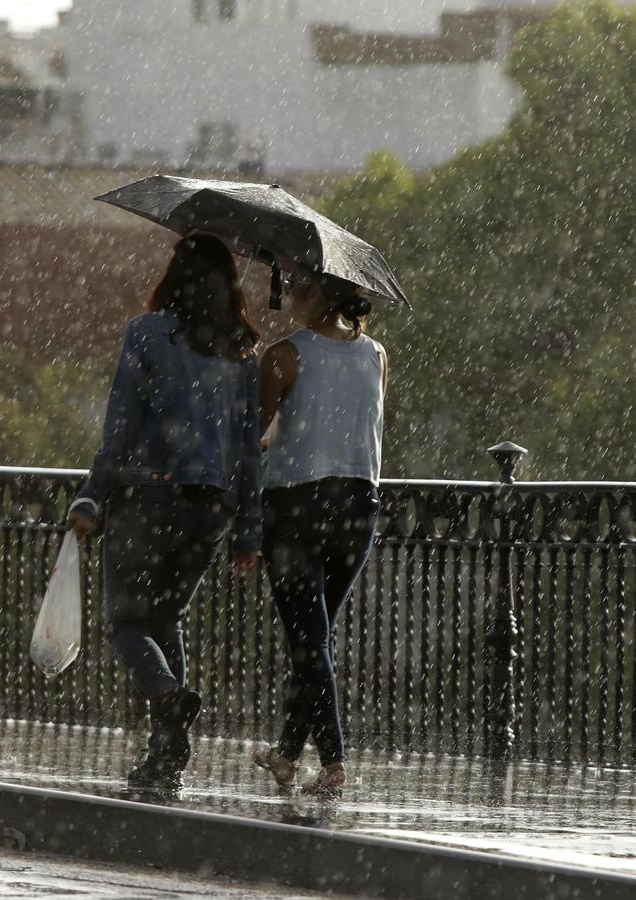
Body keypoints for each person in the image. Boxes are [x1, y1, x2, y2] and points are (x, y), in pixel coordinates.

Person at [65, 234, 262, 795]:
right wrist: (248, 529)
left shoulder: (147, 334)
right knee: (166, 620)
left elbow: (120, 427)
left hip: (146, 498)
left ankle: (167, 699)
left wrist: (90, 495)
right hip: (210, 511)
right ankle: (166, 753)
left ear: (174, 275)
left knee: (127, 624)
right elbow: (249, 450)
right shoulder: (242, 351)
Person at [250, 267, 386, 797]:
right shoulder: (375, 355)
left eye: (294, 289)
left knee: (308, 640)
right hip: (359, 504)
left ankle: (333, 764)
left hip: (296, 504)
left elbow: (252, 434)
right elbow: (363, 427)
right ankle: (287, 755)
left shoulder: (284, 356)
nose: (284, 298)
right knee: (317, 640)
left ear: (312, 295)